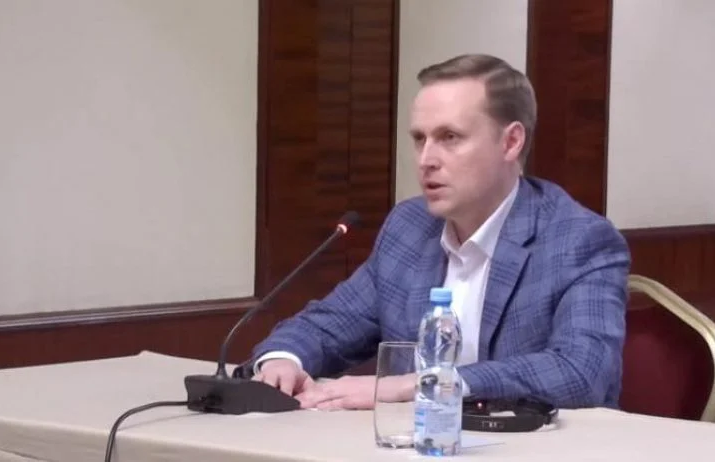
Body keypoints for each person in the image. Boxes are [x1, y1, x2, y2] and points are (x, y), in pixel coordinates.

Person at [249, 54, 631, 411]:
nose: (427, 160)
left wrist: (419, 385)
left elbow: (581, 373)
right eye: (420, 139)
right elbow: (330, 324)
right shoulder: (410, 227)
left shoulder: (579, 241)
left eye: (450, 137)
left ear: (511, 142)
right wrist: (284, 359)